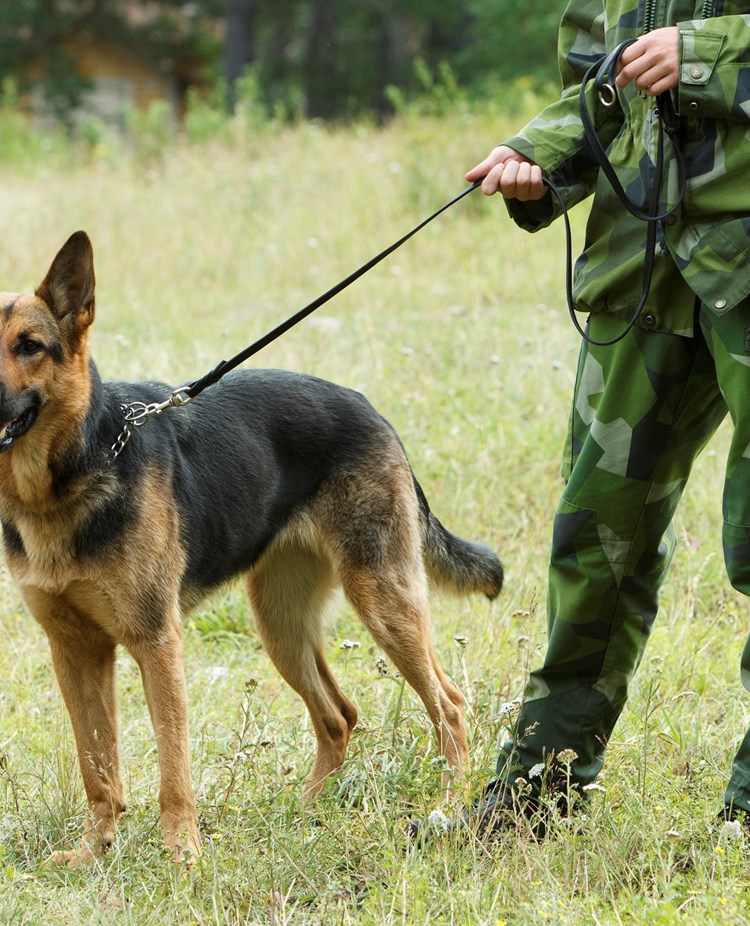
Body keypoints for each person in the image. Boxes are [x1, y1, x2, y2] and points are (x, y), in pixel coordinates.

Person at [441, 0, 750, 835]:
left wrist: (706, 51)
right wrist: (537, 159)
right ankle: (538, 791)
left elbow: (686, 63)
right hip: (642, 269)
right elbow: (602, 99)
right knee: (595, 538)